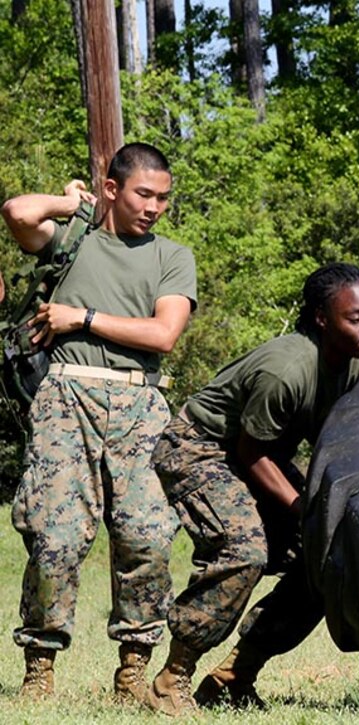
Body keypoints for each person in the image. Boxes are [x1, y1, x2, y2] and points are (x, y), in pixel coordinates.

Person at [0, 143, 197, 700]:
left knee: (147, 538)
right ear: (111, 189)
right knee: (54, 537)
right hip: (67, 399)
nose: (155, 207)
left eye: (163, 197)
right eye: (143, 194)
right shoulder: (74, 239)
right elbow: (17, 212)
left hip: (140, 404)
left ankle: (133, 668)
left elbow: (163, 335)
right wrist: (68, 205)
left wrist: (80, 317)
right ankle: (40, 667)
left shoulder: (172, 257)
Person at [146, 262, 359, 714]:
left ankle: (234, 676)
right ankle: (171, 678)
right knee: (243, 551)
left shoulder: (356, 361)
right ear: (321, 318)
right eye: (356, 318)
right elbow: (251, 452)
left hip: (261, 456)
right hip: (201, 449)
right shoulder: (287, 369)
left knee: (325, 556)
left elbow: (334, 442)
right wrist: (301, 507)